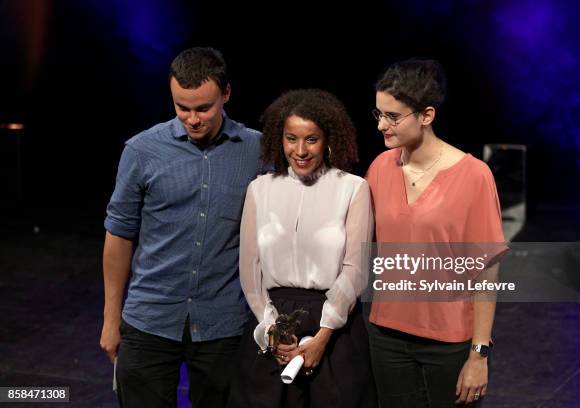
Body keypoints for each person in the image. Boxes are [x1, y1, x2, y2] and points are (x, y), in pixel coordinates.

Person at [99, 47, 267, 408]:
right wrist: (110, 319)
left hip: (224, 323)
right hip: (150, 317)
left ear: (226, 94)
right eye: (182, 107)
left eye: (203, 108)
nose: (192, 119)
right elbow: (119, 234)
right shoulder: (142, 150)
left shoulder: (258, 150)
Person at [366, 59, 507, 407]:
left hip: (448, 343)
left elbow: (486, 272)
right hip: (386, 336)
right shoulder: (380, 168)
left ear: (426, 115)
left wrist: (479, 355)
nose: (382, 125)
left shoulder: (474, 175)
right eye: (378, 114)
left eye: (393, 117)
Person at [228, 89, 377, 408]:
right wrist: (270, 329)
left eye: (311, 139)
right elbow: (250, 269)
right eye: (291, 138)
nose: (300, 150)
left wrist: (323, 336)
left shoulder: (353, 188)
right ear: (278, 140)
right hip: (273, 324)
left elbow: (356, 270)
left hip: (336, 330)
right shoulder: (260, 189)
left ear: (328, 139)